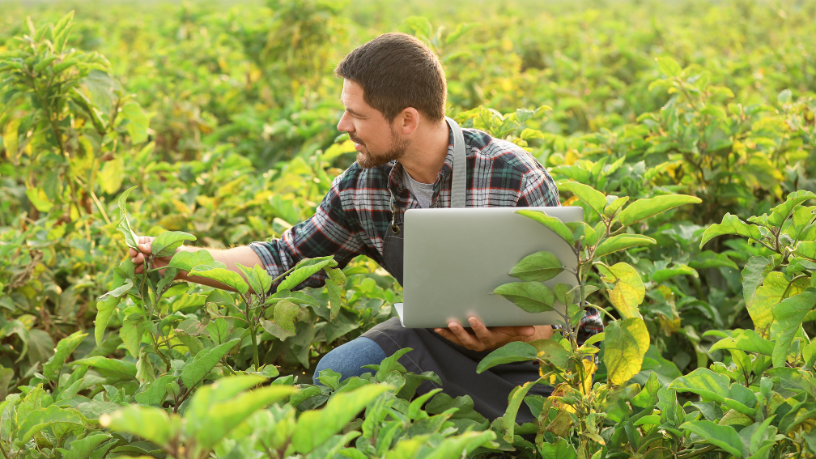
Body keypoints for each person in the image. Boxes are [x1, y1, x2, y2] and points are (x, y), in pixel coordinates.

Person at [129, 32, 602, 423]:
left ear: (407, 120)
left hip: (533, 357)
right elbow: (284, 258)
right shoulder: (363, 185)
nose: (342, 125)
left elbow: (563, 320)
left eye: (356, 115)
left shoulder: (515, 176)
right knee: (340, 374)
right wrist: (178, 260)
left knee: (549, 423)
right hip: (434, 340)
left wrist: (513, 338)